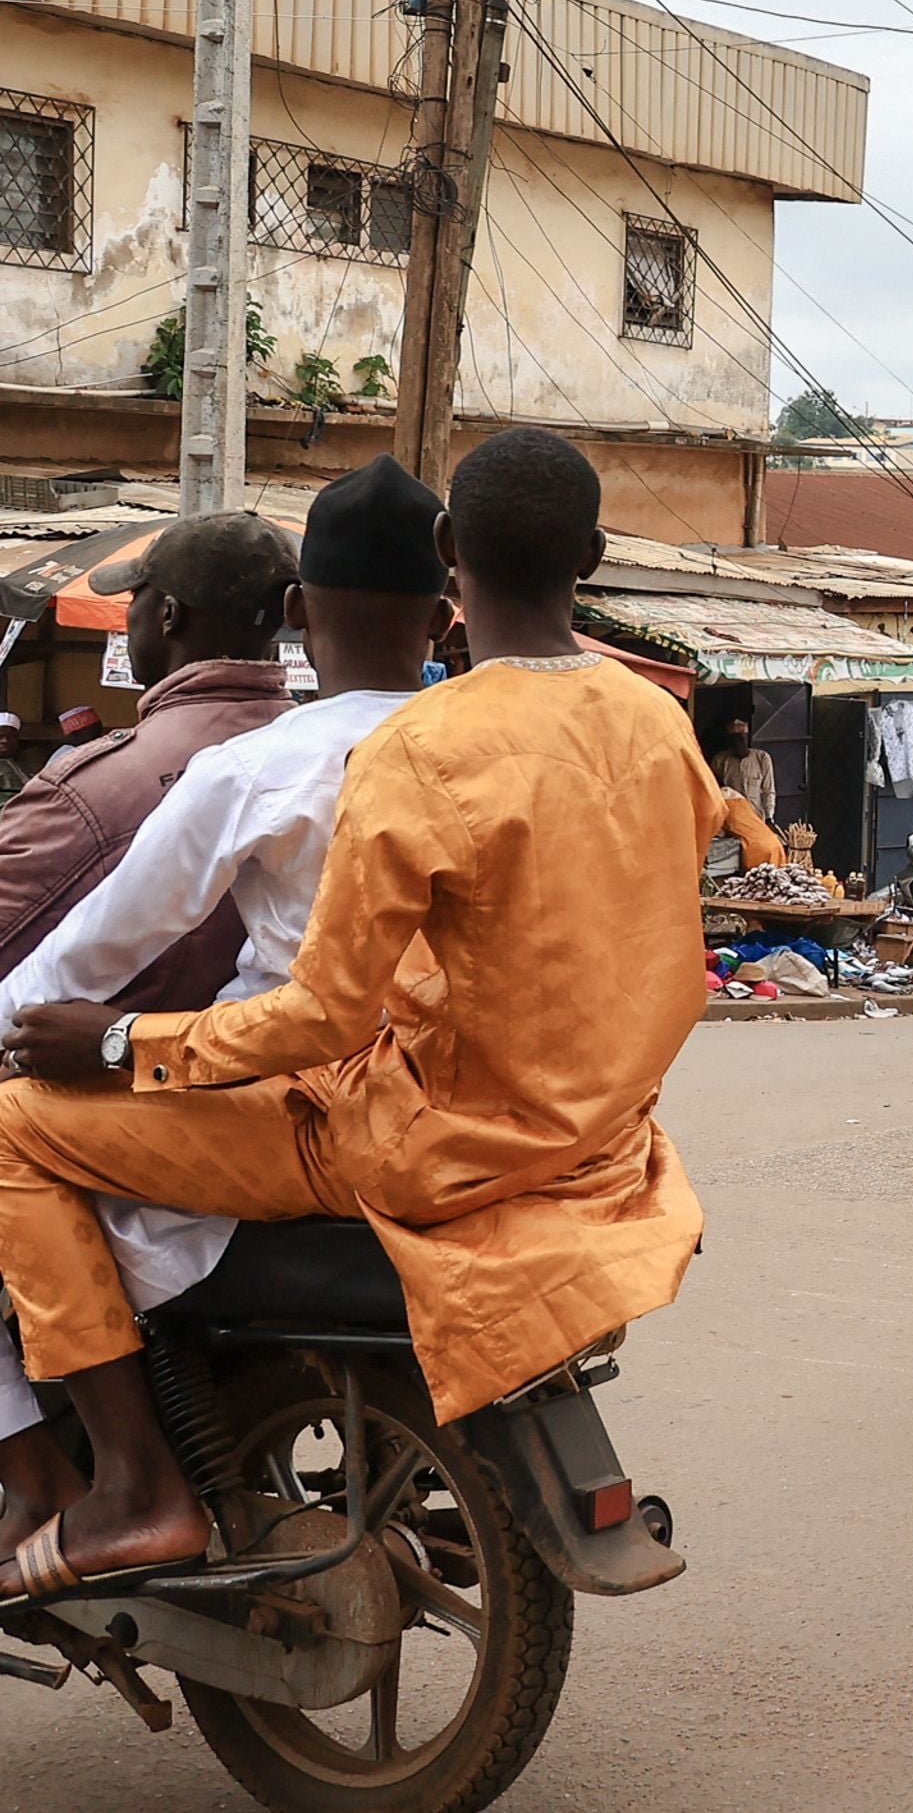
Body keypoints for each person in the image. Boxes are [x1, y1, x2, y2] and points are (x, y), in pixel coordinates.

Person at [0, 428, 716, 1603]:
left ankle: (131, 1483)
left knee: (15, 1125)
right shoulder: (655, 725)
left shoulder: (419, 749)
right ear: (592, 553)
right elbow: (655, 962)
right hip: (602, 1141)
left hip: (409, 1135)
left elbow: (323, 1015)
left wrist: (126, 1041)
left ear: (453, 555)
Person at [0, 457, 452, 1544]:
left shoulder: (256, 767)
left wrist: (40, 1028)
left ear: (303, 613)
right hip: (480, 1104)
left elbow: (86, 957)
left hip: (299, 1105)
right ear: (443, 615)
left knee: (9, 1132)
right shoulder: (497, 745)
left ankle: (126, 1485)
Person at [0, 516, 298, 998]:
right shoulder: (327, 757)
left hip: (111, 1065)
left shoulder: (93, 791)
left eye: (135, 596)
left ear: (168, 615)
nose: (128, 614)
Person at [711, 714, 777, 821]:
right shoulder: (720, 761)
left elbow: (768, 791)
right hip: (733, 820)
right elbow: (714, 792)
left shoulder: (762, 758)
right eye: (734, 741)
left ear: (747, 739)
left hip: (757, 819)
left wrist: (769, 817)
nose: (738, 744)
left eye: (740, 740)